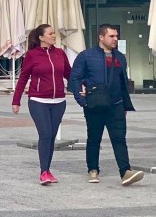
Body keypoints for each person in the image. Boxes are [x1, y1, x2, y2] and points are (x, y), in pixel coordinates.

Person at [70, 24, 145, 186]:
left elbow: (123, 82)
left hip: (116, 105)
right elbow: (74, 78)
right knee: (94, 138)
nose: (115, 39)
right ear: (101, 37)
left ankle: (125, 172)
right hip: (95, 104)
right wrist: (82, 100)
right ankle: (93, 169)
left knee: (119, 139)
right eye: (112, 36)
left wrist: (125, 105)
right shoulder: (86, 56)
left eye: (116, 36)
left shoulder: (120, 57)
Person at [12, 24, 72, 185]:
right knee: (45, 134)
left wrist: (83, 85)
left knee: (51, 136)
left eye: (54, 33)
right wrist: (16, 100)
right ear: (41, 37)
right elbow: (23, 78)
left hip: (59, 101)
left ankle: (48, 170)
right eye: (51, 33)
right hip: (38, 101)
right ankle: (43, 172)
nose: (54, 36)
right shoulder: (32, 55)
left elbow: (69, 74)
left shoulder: (60, 53)